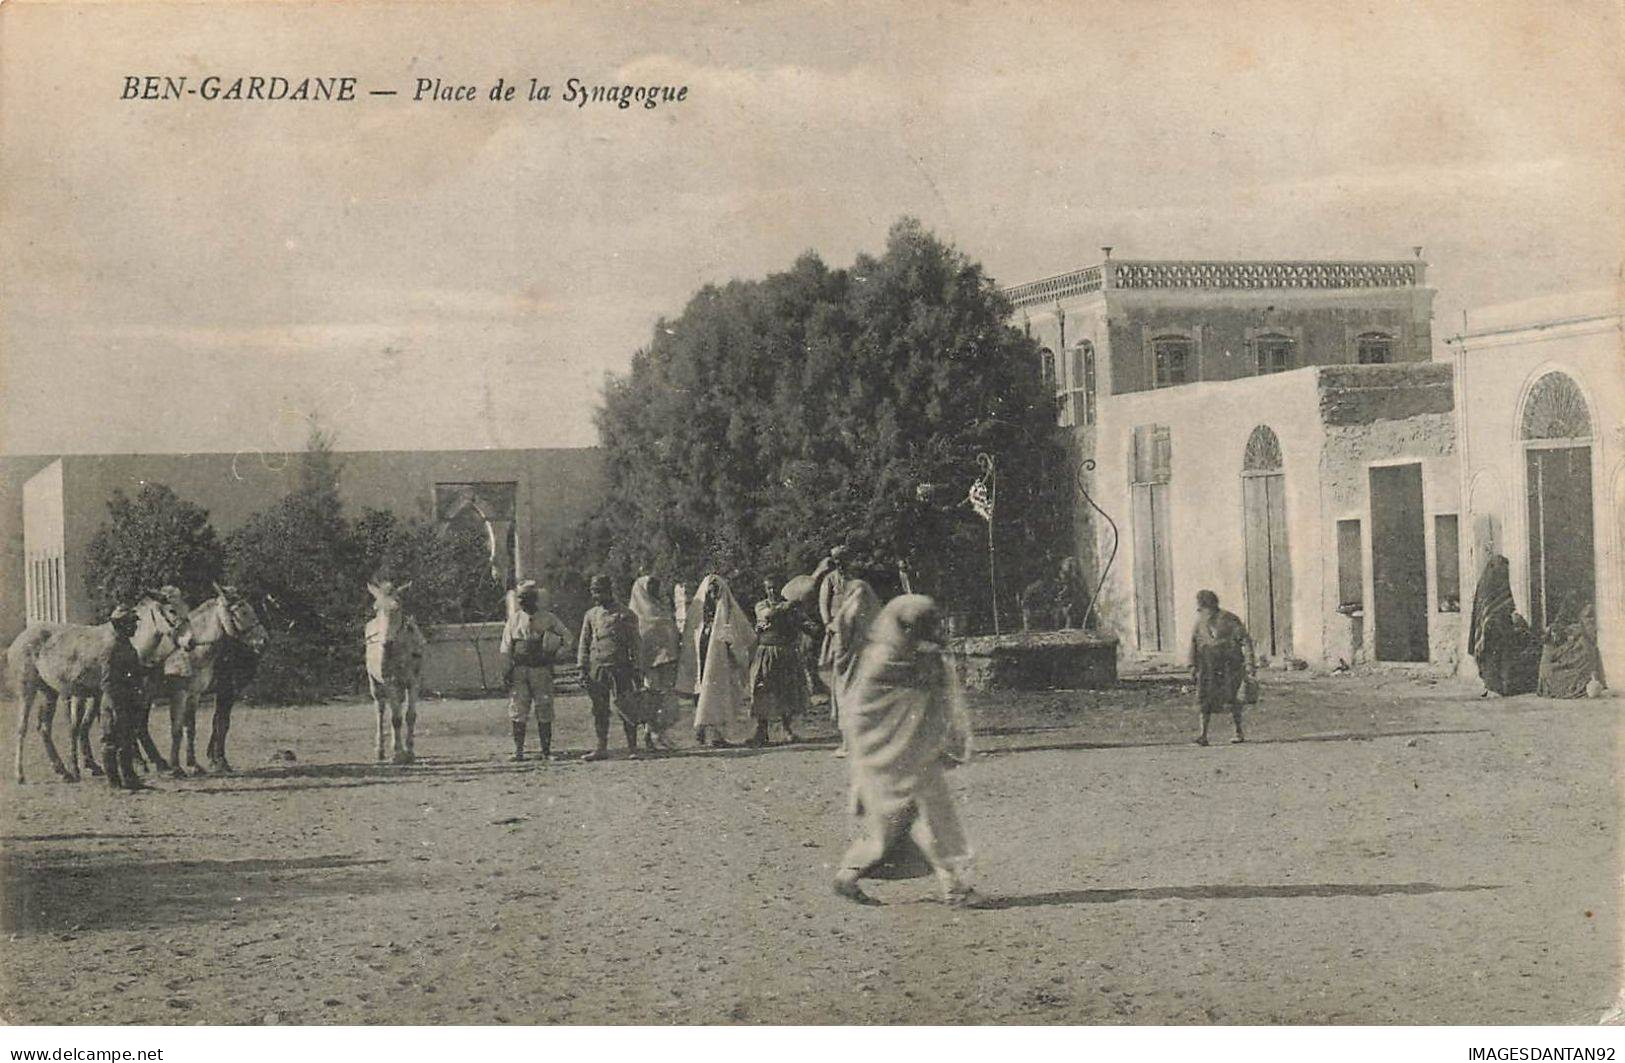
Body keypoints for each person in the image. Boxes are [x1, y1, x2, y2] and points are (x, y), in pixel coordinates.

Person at [832, 595, 984, 908]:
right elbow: (938, 701)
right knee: (923, 818)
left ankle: (849, 875)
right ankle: (954, 887)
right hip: (906, 756)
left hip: (883, 756)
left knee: (902, 821)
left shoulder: (881, 655)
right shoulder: (915, 662)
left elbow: (861, 711)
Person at [676, 573, 755, 747]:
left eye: (716, 592)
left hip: (720, 662)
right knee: (700, 693)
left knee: (717, 695)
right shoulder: (697, 616)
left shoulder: (728, 614)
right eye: (710, 592)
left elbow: (740, 637)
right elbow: (690, 638)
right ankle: (701, 730)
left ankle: (717, 733)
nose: (713, 596)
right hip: (701, 660)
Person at [499, 580, 572, 760]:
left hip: (541, 669)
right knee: (518, 710)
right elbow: (506, 648)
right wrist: (506, 671)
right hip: (520, 671)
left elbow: (568, 638)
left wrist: (555, 654)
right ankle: (519, 751)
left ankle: (546, 752)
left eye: (528, 598)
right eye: (521, 598)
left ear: (535, 599)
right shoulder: (514, 620)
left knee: (544, 707)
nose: (523, 602)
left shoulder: (548, 618)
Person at [577, 574, 644, 761]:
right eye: (594, 592)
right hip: (597, 667)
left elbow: (635, 643)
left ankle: (633, 747)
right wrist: (582, 667)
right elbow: (584, 642)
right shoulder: (590, 615)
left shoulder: (626, 614)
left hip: (620, 666)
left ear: (609, 591)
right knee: (599, 708)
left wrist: (638, 667)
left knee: (626, 707)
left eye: (600, 591)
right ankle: (601, 748)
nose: (597, 596)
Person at [747, 575, 818, 746]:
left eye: (774, 587)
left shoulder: (792, 606)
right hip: (766, 652)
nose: (772, 591)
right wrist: (789, 606)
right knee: (762, 690)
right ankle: (761, 731)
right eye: (768, 588)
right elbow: (769, 615)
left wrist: (811, 626)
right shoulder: (762, 605)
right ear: (765, 589)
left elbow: (806, 623)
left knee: (788, 690)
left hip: (786, 652)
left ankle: (787, 730)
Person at [1189, 589, 1256, 746]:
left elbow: (1245, 641)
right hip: (1207, 666)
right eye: (1200, 608)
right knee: (1203, 699)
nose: (1202, 612)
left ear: (1213, 606)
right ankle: (1203, 735)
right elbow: (1194, 644)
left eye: (1204, 608)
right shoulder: (1200, 623)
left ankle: (1238, 731)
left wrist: (1249, 664)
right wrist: (1192, 665)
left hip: (1229, 665)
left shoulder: (1231, 620)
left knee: (1233, 699)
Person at [100, 604, 150, 792]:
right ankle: (114, 782)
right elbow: (106, 681)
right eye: (131, 624)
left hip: (127, 700)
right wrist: (115, 706)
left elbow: (134, 672)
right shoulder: (112, 648)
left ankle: (129, 779)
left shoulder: (126, 646)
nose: (135, 627)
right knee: (111, 740)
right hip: (115, 702)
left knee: (127, 740)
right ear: (120, 625)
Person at [630, 574, 682, 752]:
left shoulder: (663, 610)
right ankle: (648, 736)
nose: (653, 590)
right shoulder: (636, 615)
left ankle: (661, 734)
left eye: (655, 586)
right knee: (651, 697)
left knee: (667, 699)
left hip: (667, 659)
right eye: (649, 587)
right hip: (648, 663)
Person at [1537, 599, 1607, 699]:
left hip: (1577, 654)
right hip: (1563, 655)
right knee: (1551, 670)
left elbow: (1585, 649)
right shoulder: (1557, 631)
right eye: (1588, 617)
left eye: (1591, 617)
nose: (1591, 620)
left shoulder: (1582, 632)